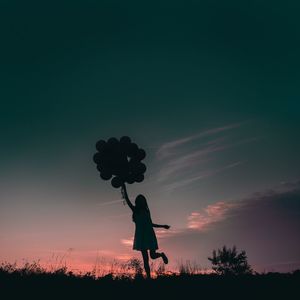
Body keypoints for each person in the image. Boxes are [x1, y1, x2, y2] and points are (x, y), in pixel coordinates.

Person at [121, 183, 170, 279]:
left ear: (145, 202)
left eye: (143, 200)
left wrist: (163, 226)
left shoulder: (147, 211)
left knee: (152, 256)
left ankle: (161, 255)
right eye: (139, 200)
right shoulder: (135, 210)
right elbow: (127, 200)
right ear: (137, 202)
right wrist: (124, 188)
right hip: (141, 237)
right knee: (145, 259)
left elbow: (151, 224)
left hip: (149, 234)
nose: (141, 202)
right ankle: (148, 278)